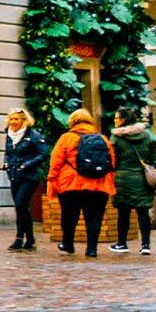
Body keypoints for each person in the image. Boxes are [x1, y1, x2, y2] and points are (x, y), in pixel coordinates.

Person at [48, 107, 116, 257]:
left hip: (71, 184)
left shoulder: (67, 138)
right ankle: (92, 249)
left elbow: (56, 161)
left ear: (72, 122)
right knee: (94, 217)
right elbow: (111, 162)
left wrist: (52, 180)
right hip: (98, 184)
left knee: (69, 215)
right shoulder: (103, 139)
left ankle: (68, 244)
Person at [107, 109, 156, 255]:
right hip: (142, 178)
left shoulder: (116, 137)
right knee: (143, 212)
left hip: (123, 178)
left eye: (117, 118)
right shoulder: (146, 136)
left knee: (123, 212)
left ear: (123, 120)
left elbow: (112, 158)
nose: (115, 120)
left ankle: (122, 243)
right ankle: (145, 245)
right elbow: (151, 156)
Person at [3, 108, 47, 252]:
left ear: (23, 120)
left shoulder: (33, 136)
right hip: (15, 175)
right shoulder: (9, 135)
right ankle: (30, 237)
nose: (13, 122)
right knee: (21, 207)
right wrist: (6, 163)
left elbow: (43, 153)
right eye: (11, 119)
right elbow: (8, 153)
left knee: (21, 204)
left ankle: (19, 237)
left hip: (29, 176)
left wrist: (26, 164)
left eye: (16, 119)